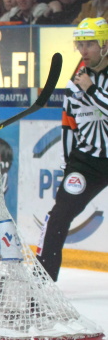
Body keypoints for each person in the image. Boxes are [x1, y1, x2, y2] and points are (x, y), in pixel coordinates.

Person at [37, 18, 108, 281]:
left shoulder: (87, 83)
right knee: (58, 217)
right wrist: (69, 166)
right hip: (87, 162)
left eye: (90, 43)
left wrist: (91, 90)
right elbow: (69, 124)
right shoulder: (75, 80)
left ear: (105, 44)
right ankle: (42, 284)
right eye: (80, 44)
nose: (84, 50)